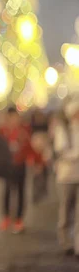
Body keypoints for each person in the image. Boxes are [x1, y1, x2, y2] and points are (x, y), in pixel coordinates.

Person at [0, 107, 41, 234]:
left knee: (21, 192)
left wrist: (37, 162)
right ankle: (6, 217)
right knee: (6, 191)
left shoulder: (24, 130)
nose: (14, 120)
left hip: (20, 166)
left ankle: (18, 219)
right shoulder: (2, 131)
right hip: (7, 166)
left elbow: (30, 148)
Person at [53, 100, 79, 259]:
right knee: (65, 210)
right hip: (66, 176)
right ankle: (65, 242)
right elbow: (61, 151)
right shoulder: (63, 130)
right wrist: (76, 155)